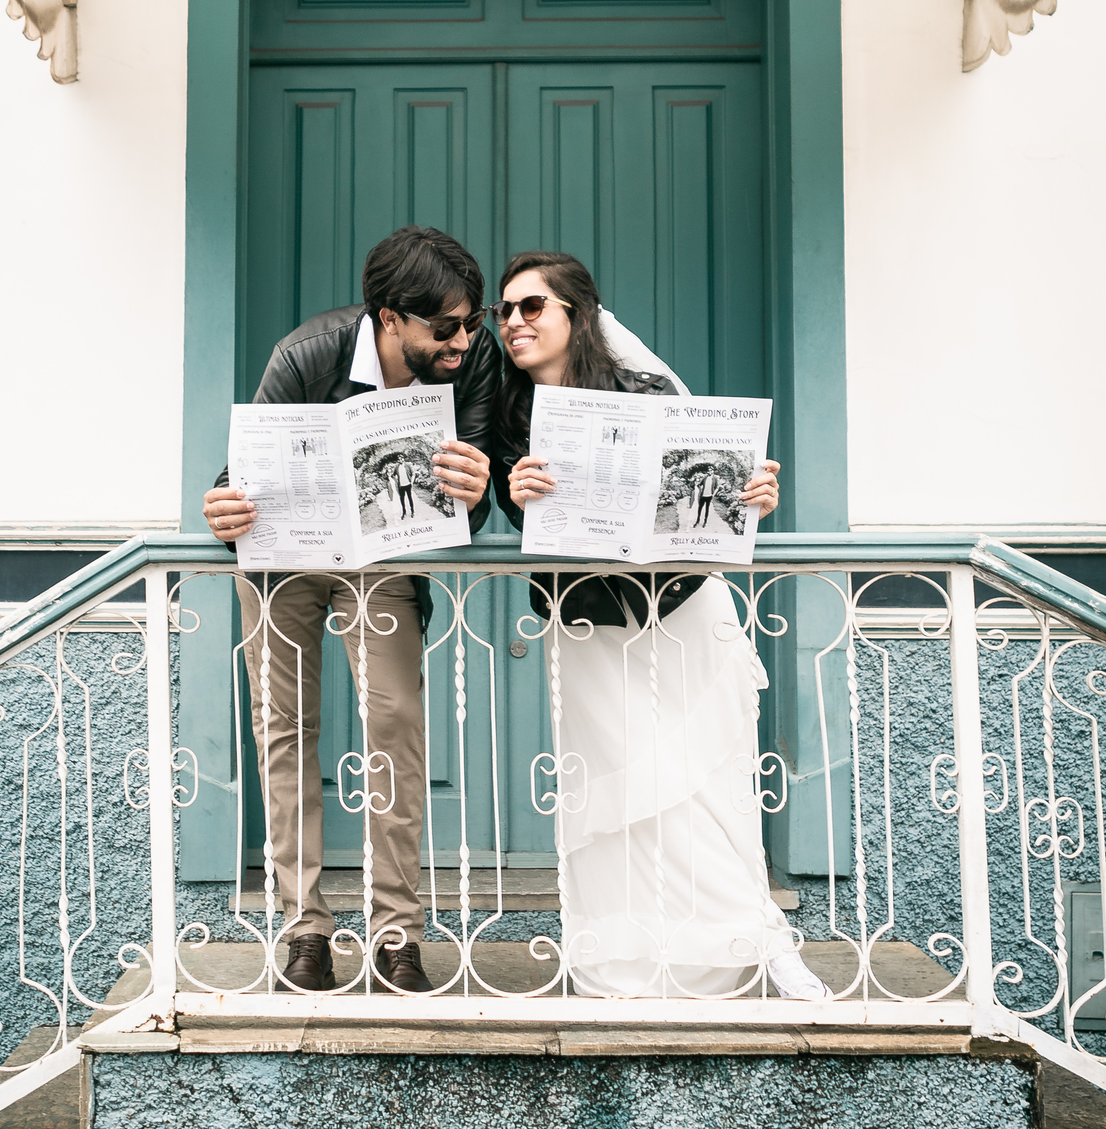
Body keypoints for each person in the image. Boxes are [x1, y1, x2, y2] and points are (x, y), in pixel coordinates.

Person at [490, 249, 829, 1003]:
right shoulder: (507, 411)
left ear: (577, 314)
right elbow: (507, 515)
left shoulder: (645, 391)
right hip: (585, 626)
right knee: (618, 790)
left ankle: (761, 941)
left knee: (705, 782)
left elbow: (712, 488)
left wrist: (754, 494)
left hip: (679, 608)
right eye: (504, 311)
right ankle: (626, 961)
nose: (513, 322)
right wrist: (517, 492)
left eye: (531, 307)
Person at [204, 226, 500, 996]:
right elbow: (239, 476)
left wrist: (475, 492)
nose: (465, 340)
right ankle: (304, 926)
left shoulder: (475, 363)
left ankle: (397, 932)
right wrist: (223, 508)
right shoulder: (308, 352)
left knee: (396, 721)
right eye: (447, 326)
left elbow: (473, 514)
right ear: (389, 317)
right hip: (287, 560)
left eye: (474, 321)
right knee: (284, 727)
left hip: (383, 560)